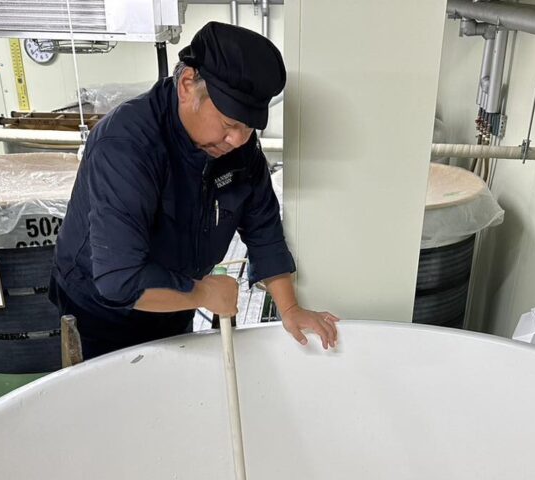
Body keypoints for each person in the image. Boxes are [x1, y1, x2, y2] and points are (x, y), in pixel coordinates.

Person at [50, 21, 339, 359]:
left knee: (172, 382)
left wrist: (290, 310)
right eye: (230, 124)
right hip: (101, 314)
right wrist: (202, 293)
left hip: (177, 299)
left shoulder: (238, 149)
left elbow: (263, 228)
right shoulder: (127, 145)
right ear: (188, 84)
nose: (238, 139)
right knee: (114, 389)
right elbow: (119, 279)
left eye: (249, 127)